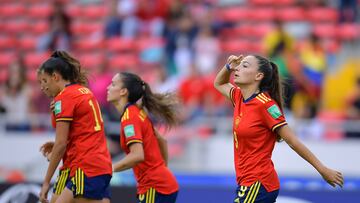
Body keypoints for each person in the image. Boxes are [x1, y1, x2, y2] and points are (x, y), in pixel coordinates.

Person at [214, 54, 344, 203]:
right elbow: (219, 83)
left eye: (244, 65)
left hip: (258, 183)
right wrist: (228, 67)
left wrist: (322, 169)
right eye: (239, 65)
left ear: (258, 76)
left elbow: (292, 141)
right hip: (248, 182)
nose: (237, 68)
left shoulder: (266, 105)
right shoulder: (239, 97)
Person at [37, 50, 112, 203]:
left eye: (44, 81)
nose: (42, 87)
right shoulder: (82, 91)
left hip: (86, 167)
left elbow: (61, 144)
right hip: (85, 164)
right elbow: (82, 130)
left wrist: (46, 183)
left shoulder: (65, 98)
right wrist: (63, 143)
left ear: (55, 77)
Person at [107, 72, 179, 203]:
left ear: (123, 91)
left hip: (155, 188)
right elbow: (162, 141)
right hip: (162, 184)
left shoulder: (130, 117)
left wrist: (110, 168)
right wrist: (162, 170)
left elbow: (137, 155)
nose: (108, 88)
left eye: (113, 84)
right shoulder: (138, 112)